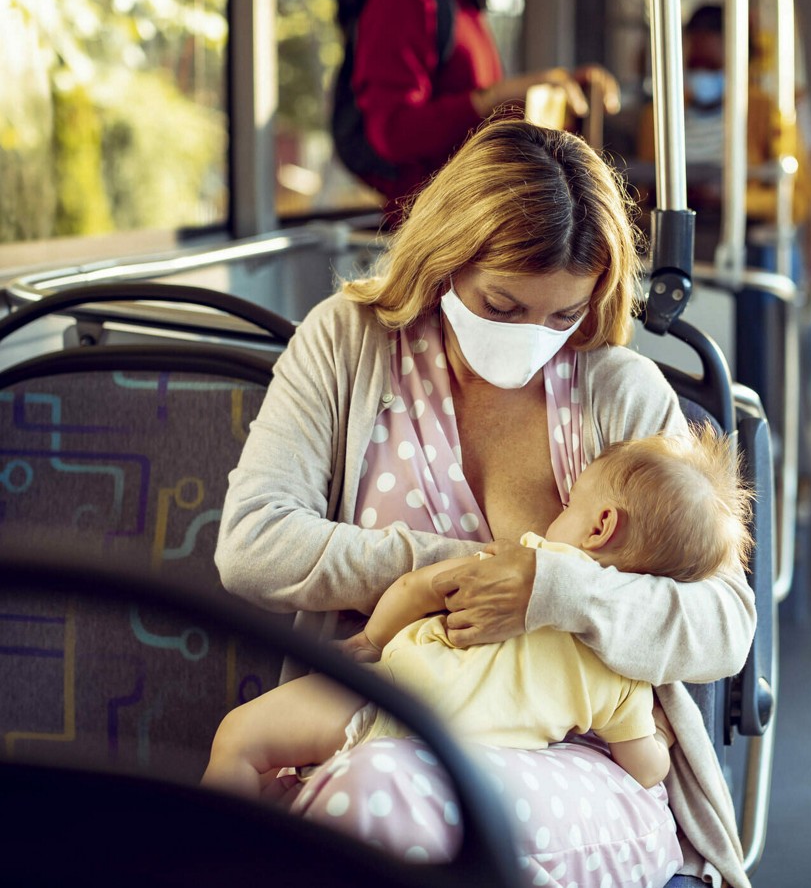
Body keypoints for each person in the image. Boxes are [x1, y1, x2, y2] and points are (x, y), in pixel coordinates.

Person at [215, 119, 756, 888]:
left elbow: (725, 624)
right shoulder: (348, 343)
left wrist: (553, 591)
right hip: (380, 717)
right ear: (444, 262)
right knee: (357, 791)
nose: (533, 337)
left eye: (563, 315)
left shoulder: (615, 390)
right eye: (502, 306)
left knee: (370, 801)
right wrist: (460, 570)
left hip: (575, 767)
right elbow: (253, 544)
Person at [203, 428, 751, 806]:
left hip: (385, 701)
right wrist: (661, 738)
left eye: (569, 505)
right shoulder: (627, 667)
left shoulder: (523, 561)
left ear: (600, 525)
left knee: (240, 739)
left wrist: (370, 639)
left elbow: (419, 588)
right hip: (460, 775)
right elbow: (646, 769)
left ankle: (209, 863)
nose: (556, 514)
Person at [346, 0, 620, 219]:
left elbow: (477, 124)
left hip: (468, 221)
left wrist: (557, 89)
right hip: (429, 232)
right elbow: (392, 132)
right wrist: (494, 97)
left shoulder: (463, 3)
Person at [632, 4, 811, 282]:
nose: (702, 75)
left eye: (713, 66)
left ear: (739, 64)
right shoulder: (659, 116)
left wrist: (734, 198)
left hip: (743, 244)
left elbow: (797, 200)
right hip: (675, 238)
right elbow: (644, 190)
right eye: (695, 65)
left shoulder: (767, 112)